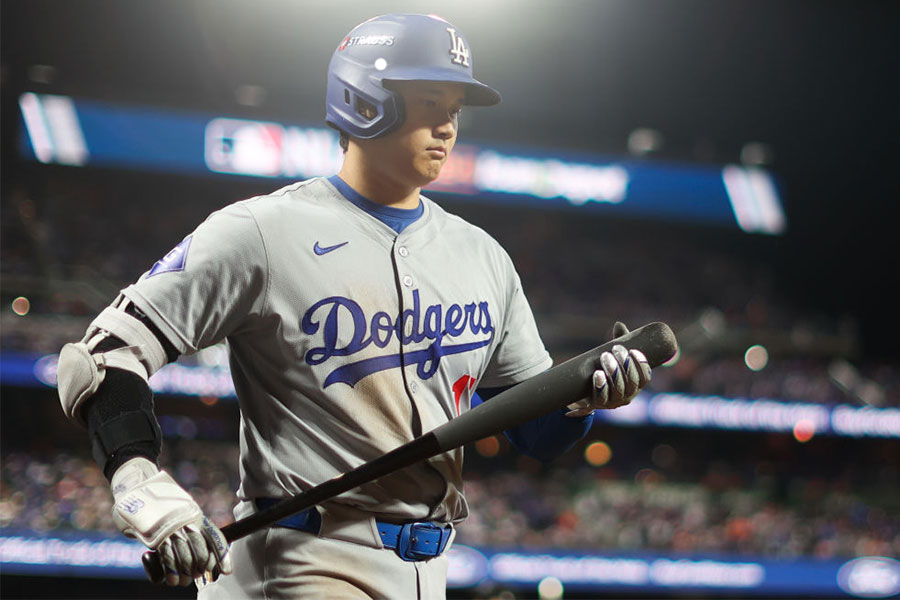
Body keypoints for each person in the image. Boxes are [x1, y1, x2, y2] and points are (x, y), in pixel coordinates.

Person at [57, 13, 651, 599]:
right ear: (364, 101)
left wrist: (585, 398)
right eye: (429, 103)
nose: (448, 126)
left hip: (429, 566)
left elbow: (533, 435)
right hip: (299, 562)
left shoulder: (483, 256)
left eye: (455, 109)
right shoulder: (262, 231)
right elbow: (100, 358)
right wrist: (143, 485)